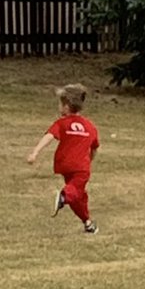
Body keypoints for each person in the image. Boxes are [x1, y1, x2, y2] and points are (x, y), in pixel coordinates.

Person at [26, 83, 101, 234]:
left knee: (79, 196)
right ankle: (63, 196)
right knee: (72, 192)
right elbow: (94, 147)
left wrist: (35, 152)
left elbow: (49, 136)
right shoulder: (90, 126)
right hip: (81, 167)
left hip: (65, 165)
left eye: (60, 104)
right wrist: (90, 161)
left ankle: (87, 222)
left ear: (66, 106)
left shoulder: (62, 123)